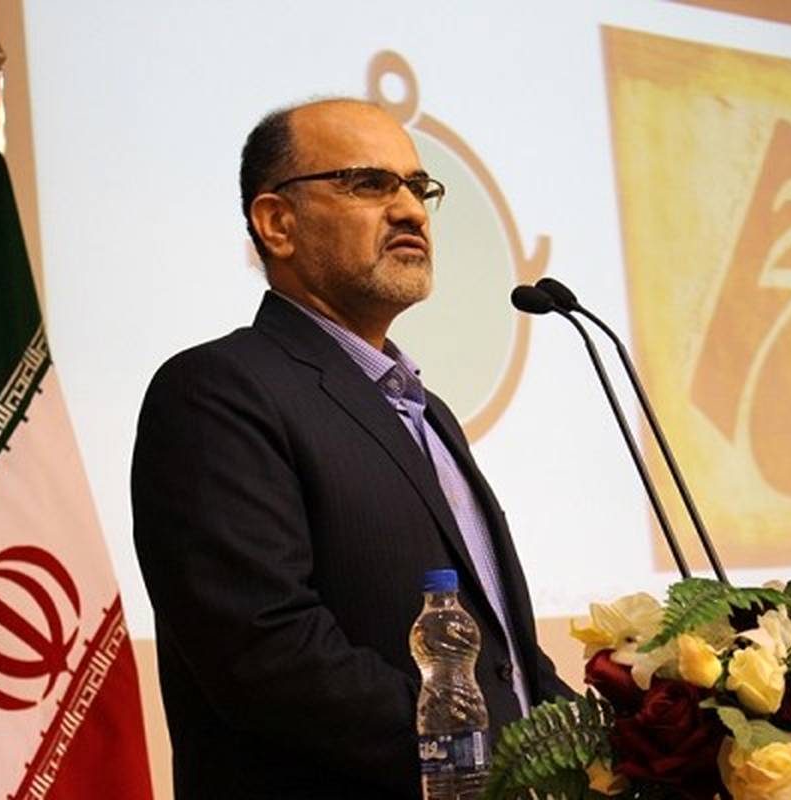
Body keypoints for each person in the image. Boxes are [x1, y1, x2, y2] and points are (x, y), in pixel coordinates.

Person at [131, 98, 572, 800]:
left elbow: (510, 662)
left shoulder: (429, 412)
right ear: (277, 223)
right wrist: (481, 762)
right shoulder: (217, 391)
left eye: (419, 188)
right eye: (370, 184)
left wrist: (608, 752)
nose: (411, 211)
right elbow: (266, 653)